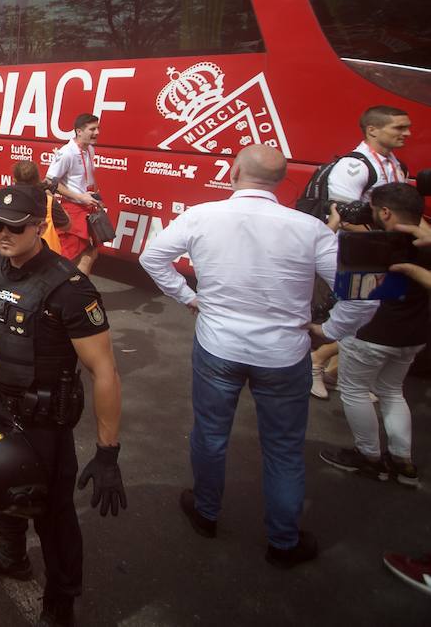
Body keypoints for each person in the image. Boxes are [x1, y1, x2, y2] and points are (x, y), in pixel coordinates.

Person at [0, 184, 124, 627]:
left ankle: (59, 604)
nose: (2, 234)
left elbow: (105, 372)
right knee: (0, 485)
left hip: (43, 424)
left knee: (54, 517)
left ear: (39, 226)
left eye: (14, 227)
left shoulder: (71, 289)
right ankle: (10, 555)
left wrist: (108, 451)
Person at [139, 144, 336, 569]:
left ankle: (206, 512)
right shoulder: (309, 228)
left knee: (211, 434)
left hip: (219, 346)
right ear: (282, 181)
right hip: (285, 354)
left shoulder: (201, 215)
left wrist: (189, 298)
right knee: (283, 449)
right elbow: (362, 292)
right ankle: (283, 542)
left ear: (232, 173)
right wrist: (333, 331)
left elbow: (151, 257)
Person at [312, 182, 425, 486]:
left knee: (356, 392)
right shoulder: (426, 241)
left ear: (385, 212)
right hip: (413, 337)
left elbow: (352, 295)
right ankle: (402, 460)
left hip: (371, 335)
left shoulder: (372, 246)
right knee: (392, 391)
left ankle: (369, 455)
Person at [46, 114, 103, 273]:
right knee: (68, 257)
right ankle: (58, 291)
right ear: (79, 131)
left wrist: (96, 196)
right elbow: (49, 181)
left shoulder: (90, 149)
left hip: (88, 209)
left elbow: (88, 177)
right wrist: (79, 197)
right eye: (92, 129)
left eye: (98, 128)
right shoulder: (67, 153)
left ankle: (79, 292)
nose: (97, 132)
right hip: (73, 210)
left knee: (91, 253)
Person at [325, 105, 411, 205]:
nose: (407, 133)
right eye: (399, 128)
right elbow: (340, 217)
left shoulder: (399, 165)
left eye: (407, 128)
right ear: (372, 131)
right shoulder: (353, 166)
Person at [12, 160, 71, 255]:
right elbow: (67, 225)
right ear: (38, 179)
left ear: (14, 179)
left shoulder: (7, 199)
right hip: (46, 257)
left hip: (17, 254)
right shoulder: (48, 200)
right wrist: (52, 198)